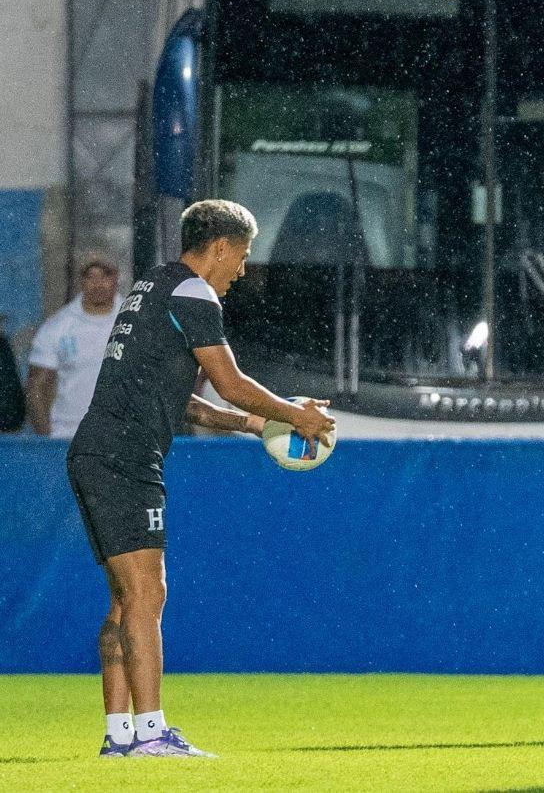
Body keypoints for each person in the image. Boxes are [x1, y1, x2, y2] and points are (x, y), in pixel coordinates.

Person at [66, 199, 335, 758]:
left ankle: (120, 736)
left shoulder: (154, 286)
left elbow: (184, 398)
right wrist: (296, 414)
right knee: (148, 592)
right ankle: (152, 733)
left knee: (123, 601)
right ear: (220, 247)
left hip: (99, 452)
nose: (242, 268)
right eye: (242, 254)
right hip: (124, 458)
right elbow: (229, 381)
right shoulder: (194, 292)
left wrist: (253, 423)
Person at [27, 257, 122, 438]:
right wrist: (47, 439)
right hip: (67, 436)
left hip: (120, 438)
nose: (98, 284)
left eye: (105, 276)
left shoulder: (136, 322)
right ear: (82, 281)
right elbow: (36, 386)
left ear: (116, 278)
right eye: (91, 277)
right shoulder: (57, 327)